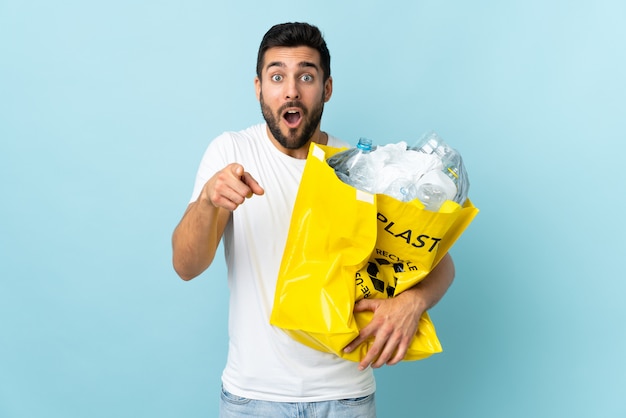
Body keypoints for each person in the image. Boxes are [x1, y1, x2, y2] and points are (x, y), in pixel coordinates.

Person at [172, 22, 455, 418]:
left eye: (306, 76)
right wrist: (207, 202)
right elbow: (186, 266)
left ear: (326, 89)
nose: (291, 90)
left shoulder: (361, 168)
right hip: (253, 398)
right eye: (277, 76)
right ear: (258, 88)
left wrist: (413, 302)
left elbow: (439, 265)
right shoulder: (231, 152)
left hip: (346, 396)